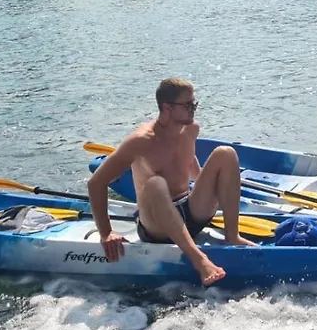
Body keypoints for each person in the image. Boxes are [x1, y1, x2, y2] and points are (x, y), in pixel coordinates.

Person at [87, 78, 257, 286]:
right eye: (188, 105)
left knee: (225, 153)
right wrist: (106, 233)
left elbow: (189, 163)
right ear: (167, 107)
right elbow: (96, 183)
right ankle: (199, 260)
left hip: (191, 212)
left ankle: (232, 235)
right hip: (157, 226)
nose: (193, 110)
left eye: (194, 104)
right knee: (156, 183)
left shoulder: (191, 129)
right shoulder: (141, 140)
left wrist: (216, 189)